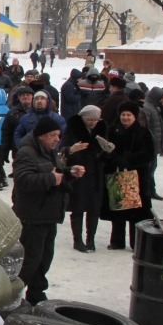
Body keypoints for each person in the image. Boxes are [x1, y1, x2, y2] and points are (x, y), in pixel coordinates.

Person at [13, 116, 85, 304]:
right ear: (41, 136)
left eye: (58, 135)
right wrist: (51, 179)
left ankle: (37, 295)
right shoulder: (27, 152)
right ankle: (11, 298)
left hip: (49, 214)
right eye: (52, 135)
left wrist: (69, 172)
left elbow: (56, 172)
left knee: (44, 260)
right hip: (32, 216)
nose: (56, 139)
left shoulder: (49, 150)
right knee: (29, 262)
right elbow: (23, 180)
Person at [100, 102, 154, 250]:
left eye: (128, 115)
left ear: (134, 117)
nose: (125, 118)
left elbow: (148, 153)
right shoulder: (112, 131)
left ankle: (135, 242)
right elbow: (103, 151)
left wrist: (129, 161)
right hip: (116, 175)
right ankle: (117, 241)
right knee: (118, 209)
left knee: (136, 212)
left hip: (136, 177)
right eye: (123, 114)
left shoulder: (143, 132)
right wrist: (114, 158)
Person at [62, 106, 108, 252]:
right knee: (78, 206)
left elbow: (108, 152)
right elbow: (63, 149)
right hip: (78, 171)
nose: (93, 122)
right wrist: (72, 149)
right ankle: (78, 240)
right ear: (83, 118)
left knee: (94, 207)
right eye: (90, 119)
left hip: (96, 172)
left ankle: (91, 239)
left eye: (96, 119)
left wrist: (106, 151)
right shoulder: (73, 128)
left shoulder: (102, 128)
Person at [141, 87, 163, 200]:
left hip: (155, 145)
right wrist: (153, 139)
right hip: (150, 145)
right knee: (149, 170)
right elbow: (145, 126)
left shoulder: (155, 107)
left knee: (152, 169)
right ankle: (148, 191)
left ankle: (150, 190)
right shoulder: (147, 107)